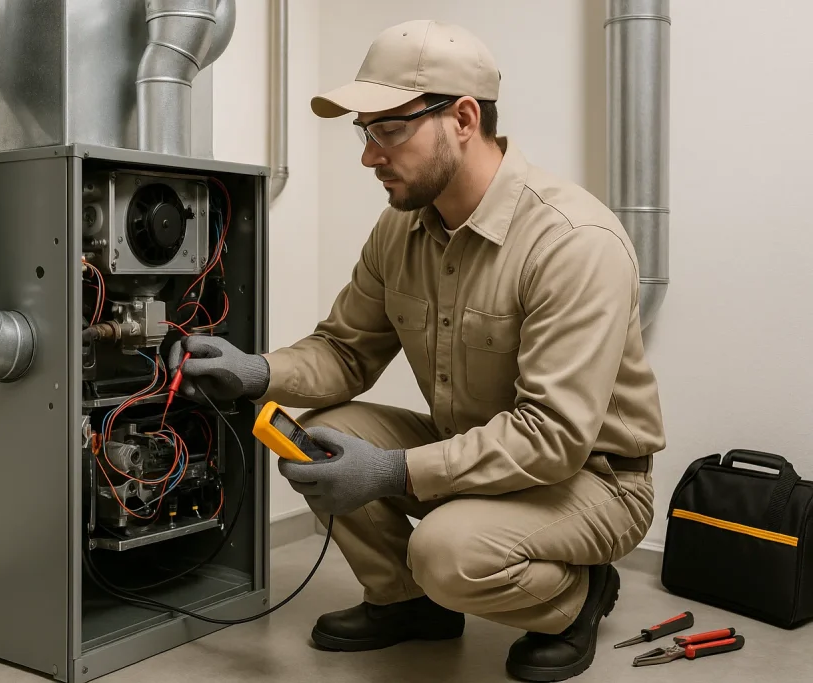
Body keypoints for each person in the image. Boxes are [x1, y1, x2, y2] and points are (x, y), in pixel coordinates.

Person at [169, 19, 665, 683]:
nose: (370, 156)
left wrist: (393, 471)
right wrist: (256, 371)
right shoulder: (399, 230)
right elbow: (345, 351)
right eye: (365, 132)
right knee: (322, 435)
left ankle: (575, 599)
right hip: (476, 452)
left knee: (445, 550)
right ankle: (408, 603)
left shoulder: (572, 241)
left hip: (592, 479)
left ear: (463, 118)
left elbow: (552, 437)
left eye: (390, 129)